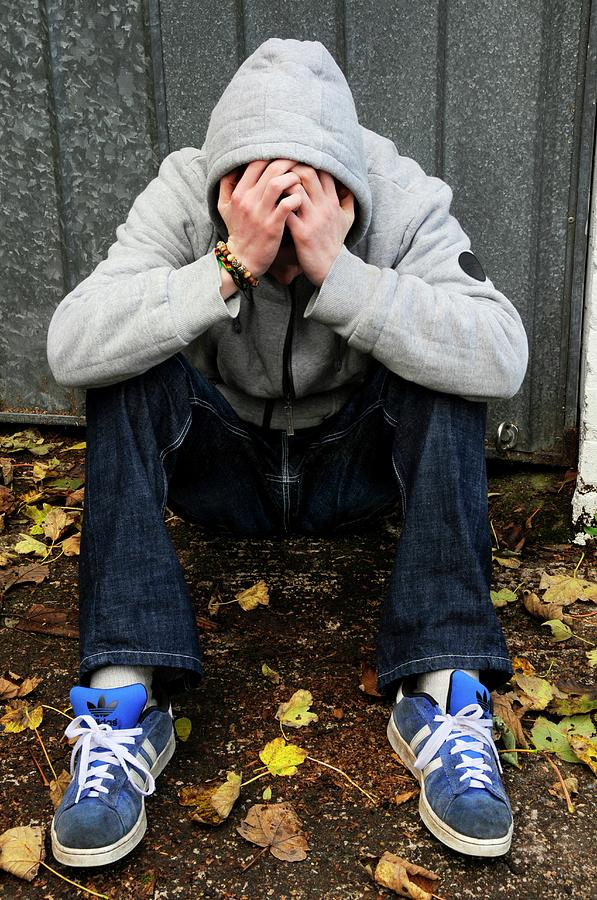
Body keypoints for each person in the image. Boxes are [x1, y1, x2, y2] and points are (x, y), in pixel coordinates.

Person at [46, 37, 528, 867]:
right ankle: (124, 706)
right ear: (224, 182)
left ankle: (442, 693)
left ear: (349, 182)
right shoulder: (185, 191)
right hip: (221, 466)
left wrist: (341, 275)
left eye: (308, 191)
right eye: (256, 189)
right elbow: (69, 343)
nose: (281, 211)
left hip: (351, 466)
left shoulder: (398, 193)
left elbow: (503, 353)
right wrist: (228, 264)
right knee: (121, 365)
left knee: (446, 362)